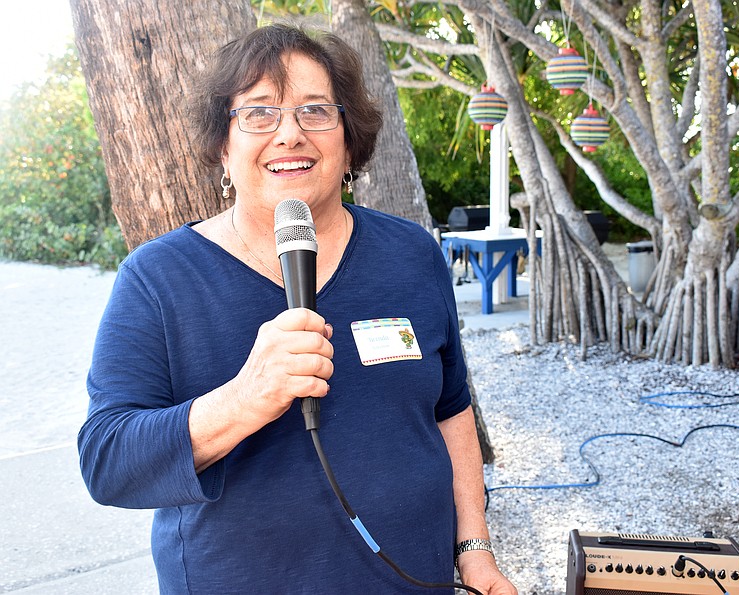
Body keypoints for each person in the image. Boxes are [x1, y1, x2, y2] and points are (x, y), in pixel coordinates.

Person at [79, 23, 517, 595]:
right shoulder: (159, 278)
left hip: (414, 579)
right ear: (222, 148)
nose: (290, 134)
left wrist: (474, 549)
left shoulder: (411, 254)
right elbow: (109, 462)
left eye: (315, 111)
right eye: (258, 113)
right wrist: (246, 397)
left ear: (349, 140)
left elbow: (450, 408)